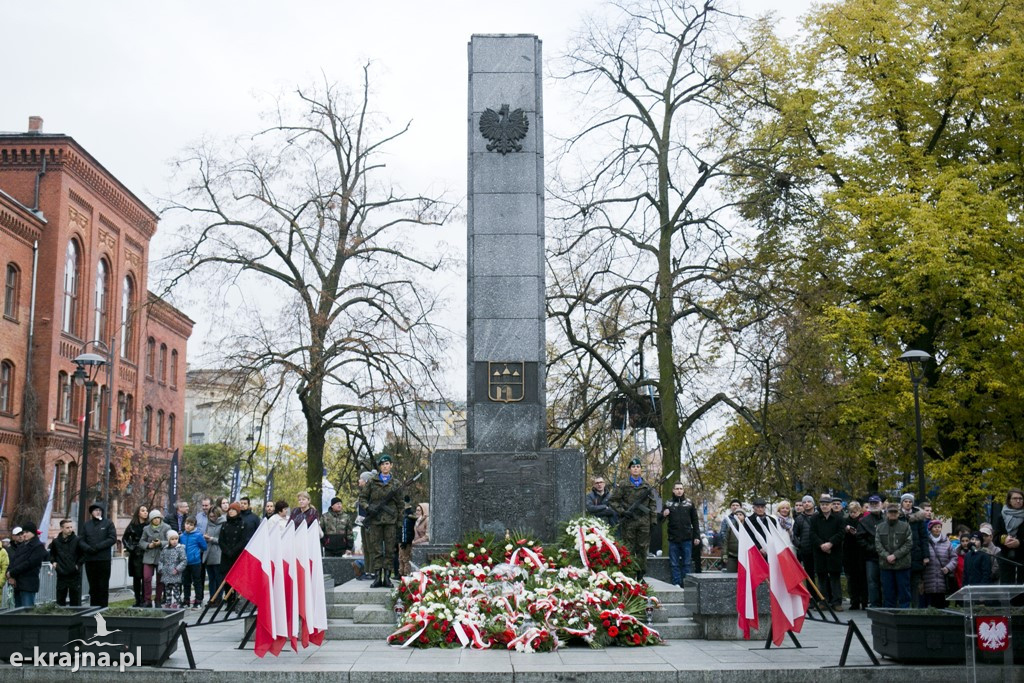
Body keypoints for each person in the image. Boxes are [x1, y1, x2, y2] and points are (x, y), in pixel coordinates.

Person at [609, 458, 659, 583]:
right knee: (629, 549)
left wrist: (653, 520)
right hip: (629, 522)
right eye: (633, 467)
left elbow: (653, 504)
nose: (636, 468)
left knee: (642, 549)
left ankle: (641, 576)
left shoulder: (647, 485)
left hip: (644, 522)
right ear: (630, 469)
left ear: (641, 469)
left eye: (638, 466)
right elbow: (613, 500)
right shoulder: (624, 484)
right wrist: (622, 511)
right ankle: (630, 577)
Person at [359, 454, 402, 588]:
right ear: (379, 467)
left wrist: (399, 522)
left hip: (390, 521)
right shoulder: (372, 481)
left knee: (389, 550)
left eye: (387, 464)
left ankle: (387, 578)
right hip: (375, 521)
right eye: (383, 464)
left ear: (391, 465)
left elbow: (400, 504)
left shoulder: (396, 483)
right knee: (376, 550)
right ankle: (377, 577)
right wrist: (368, 508)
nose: (385, 466)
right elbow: (363, 498)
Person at [661, 482, 701, 587]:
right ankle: (676, 583)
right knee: (674, 563)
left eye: (681, 488)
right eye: (677, 488)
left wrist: (697, 536)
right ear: (673, 490)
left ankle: (686, 583)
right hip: (673, 538)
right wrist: (663, 515)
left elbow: (695, 521)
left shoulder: (689, 504)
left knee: (686, 563)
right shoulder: (668, 503)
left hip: (687, 538)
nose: (679, 490)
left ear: (683, 490)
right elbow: (660, 520)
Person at [810, 494, 845, 610]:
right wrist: (821, 544)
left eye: (826, 504)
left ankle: (836, 602)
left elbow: (841, 533)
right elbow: (812, 533)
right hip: (819, 551)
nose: (824, 507)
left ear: (831, 506)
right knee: (821, 577)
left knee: (835, 577)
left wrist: (830, 543)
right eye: (822, 504)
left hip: (834, 551)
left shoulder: (839, 518)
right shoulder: (814, 518)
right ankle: (822, 601)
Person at [79, 502, 116, 607]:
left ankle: (103, 608)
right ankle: (93, 608)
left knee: (103, 586)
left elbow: (112, 538)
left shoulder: (108, 523)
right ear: (91, 512)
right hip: (90, 560)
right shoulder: (87, 525)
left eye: (100, 510)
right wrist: (88, 548)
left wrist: (98, 547)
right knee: (93, 586)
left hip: (103, 559)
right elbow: (81, 540)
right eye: (95, 510)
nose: (98, 512)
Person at [876, 503, 913, 608]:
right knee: (888, 593)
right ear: (886, 513)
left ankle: (904, 614)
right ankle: (888, 615)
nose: (892, 514)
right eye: (890, 512)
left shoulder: (906, 526)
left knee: (904, 592)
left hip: (902, 565)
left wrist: (895, 555)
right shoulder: (879, 527)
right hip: (886, 565)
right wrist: (887, 556)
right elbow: (878, 545)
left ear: (898, 513)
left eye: (895, 512)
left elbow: (909, 543)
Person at [992, 488, 1024, 600]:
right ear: (1009, 500)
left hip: (1022, 558)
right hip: (1006, 558)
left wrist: (1019, 542)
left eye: (1020, 498)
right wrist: (1004, 539)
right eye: (1015, 498)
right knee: (1007, 591)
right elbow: (995, 537)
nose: (1018, 501)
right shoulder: (1001, 516)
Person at [898, 493, 929, 605]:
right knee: (902, 582)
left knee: (915, 583)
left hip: (916, 554)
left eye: (910, 502)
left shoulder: (918, 518)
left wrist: (926, 556)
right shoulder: (898, 516)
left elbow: (924, 538)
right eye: (906, 501)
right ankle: (903, 606)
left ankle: (915, 606)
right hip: (901, 555)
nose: (908, 503)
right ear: (902, 503)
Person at [7, 524, 47, 607]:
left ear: (33, 533)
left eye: (27, 532)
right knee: (18, 613)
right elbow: (13, 561)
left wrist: (12, 573)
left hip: (28, 585)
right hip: (17, 584)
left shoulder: (38, 546)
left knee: (26, 613)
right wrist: (10, 575)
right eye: (23, 532)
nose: (24, 534)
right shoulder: (22, 545)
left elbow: (29, 563)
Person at [857, 495, 885, 608]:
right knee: (872, 582)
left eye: (876, 503)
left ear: (881, 504)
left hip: (886, 556)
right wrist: (872, 548)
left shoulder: (887, 518)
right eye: (872, 504)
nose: (874, 505)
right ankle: (874, 604)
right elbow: (860, 539)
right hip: (871, 557)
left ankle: (886, 604)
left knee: (885, 582)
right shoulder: (864, 521)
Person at [922, 519, 956, 608]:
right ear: (930, 529)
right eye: (935, 527)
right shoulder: (925, 542)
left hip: (942, 580)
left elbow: (954, 558)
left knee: (941, 605)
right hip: (928, 578)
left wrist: (948, 568)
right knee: (928, 605)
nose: (937, 529)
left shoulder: (947, 542)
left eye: (939, 527)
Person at [49, 519, 82, 606]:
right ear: (61, 528)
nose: (70, 529)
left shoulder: (77, 540)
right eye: (67, 527)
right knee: (60, 599)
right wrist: (54, 563)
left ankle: (75, 618)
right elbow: (52, 554)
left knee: (75, 600)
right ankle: (60, 618)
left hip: (74, 574)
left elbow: (82, 555)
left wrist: (78, 565)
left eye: (71, 527)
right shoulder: (56, 542)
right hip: (61, 574)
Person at [142, 509, 171, 607]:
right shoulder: (146, 529)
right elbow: (141, 542)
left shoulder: (167, 527)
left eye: (158, 517)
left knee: (160, 580)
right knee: (146, 578)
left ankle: (158, 599)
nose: (157, 520)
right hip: (149, 556)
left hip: (161, 557)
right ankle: (147, 600)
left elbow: (171, 541)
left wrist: (160, 543)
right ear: (151, 519)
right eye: (154, 518)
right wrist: (148, 545)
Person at [842, 500, 868, 610]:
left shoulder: (863, 521)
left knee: (863, 579)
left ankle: (865, 601)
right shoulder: (846, 521)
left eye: (855, 512)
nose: (853, 514)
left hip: (861, 553)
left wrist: (856, 533)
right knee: (852, 580)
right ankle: (854, 601)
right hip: (849, 552)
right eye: (851, 512)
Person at [123, 505, 149, 606]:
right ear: (138, 513)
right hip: (135, 555)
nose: (145, 512)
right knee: (137, 578)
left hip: (146, 553)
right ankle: (138, 599)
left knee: (145, 577)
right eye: (143, 510)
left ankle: (145, 599)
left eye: (146, 510)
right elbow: (125, 538)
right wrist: (131, 548)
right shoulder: (132, 525)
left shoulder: (148, 525)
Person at [180, 516, 207, 608]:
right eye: (187, 524)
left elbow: (204, 546)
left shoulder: (198, 535)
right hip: (184, 562)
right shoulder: (182, 536)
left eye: (191, 525)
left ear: (194, 526)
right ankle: (186, 600)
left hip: (195, 562)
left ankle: (198, 600)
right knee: (186, 582)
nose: (188, 526)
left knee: (197, 581)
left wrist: (197, 553)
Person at [158, 531, 187, 609]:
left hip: (175, 573)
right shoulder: (165, 549)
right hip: (166, 573)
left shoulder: (180, 549)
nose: (175, 541)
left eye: (176, 539)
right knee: (167, 589)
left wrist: (177, 569)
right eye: (172, 539)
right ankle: (168, 602)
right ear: (168, 540)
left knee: (176, 589)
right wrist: (160, 568)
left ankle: (178, 601)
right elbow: (161, 560)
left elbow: (184, 561)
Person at [203, 505, 224, 604]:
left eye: (213, 516)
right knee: (211, 579)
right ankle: (212, 598)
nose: (212, 518)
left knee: (218, 578)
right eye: (210, 516)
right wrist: (205, 537)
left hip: (218, 554)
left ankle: (219, 598)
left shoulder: (223, 523)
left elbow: (224, 540)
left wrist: (212, 539)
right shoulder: (208, 523)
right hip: (208, 554)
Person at [219, 502, 247, 576]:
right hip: (225, 556)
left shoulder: (243, 524)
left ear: (237, 511)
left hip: (237, 556)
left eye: (233, 510)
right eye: (229, 510)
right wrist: (227, 551)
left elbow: (242, 540)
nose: (231, 511)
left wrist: (233, 551)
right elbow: (221, 540)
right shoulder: (224, 524)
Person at [793, 495, 817, 578]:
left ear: (813, 504)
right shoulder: (799, 519)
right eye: (804, 502)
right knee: (809, 575)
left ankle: (825, 591)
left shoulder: (820, 517)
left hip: (819, 549)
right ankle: (811, 591)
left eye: (809, 501)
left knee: (823, 574)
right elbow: (794, 535)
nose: (807, 504)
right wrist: (800, 545)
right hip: (806, 550)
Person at [398, 496, 417, 576]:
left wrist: (405, 541)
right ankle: (401, 573)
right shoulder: (405, 516)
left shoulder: (409, 516)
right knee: (401, 559)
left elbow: (407, 530)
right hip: (402, 540)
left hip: (406, 541)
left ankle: (406, 574)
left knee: (406, 559)